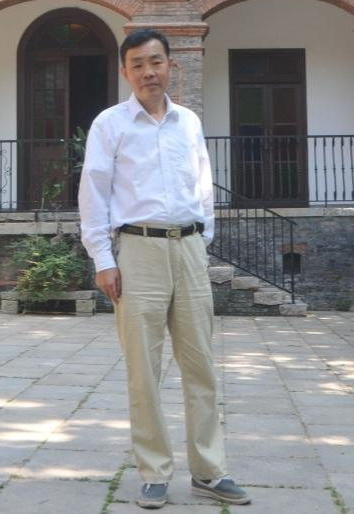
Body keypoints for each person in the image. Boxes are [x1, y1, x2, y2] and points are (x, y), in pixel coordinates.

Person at [78, 28, 250, 510]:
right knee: (143, 370)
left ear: (171, 65)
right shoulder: (110, 125)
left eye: (155, 61)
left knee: (202, 366)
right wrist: (104, 260)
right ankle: (154, 471)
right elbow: (93, 194)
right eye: (137, 64)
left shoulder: (188, 122)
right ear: (124, 71)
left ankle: (210, 470)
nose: (148, 72)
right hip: (138, 252)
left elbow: (203, 184)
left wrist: (201, 239)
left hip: (189, 249)